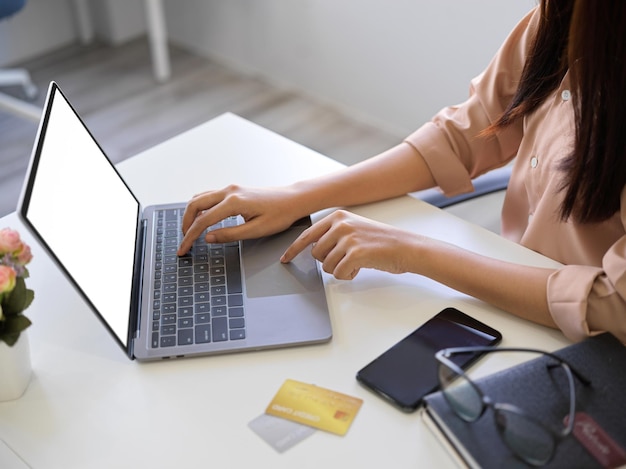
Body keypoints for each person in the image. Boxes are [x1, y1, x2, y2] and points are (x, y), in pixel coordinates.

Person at [178, 0, 626, 344]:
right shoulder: (558, 20)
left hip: (595, 349)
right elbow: (462, 135)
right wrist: (297, 196)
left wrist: (415, 252)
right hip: (510, 301)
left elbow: (613, 305)